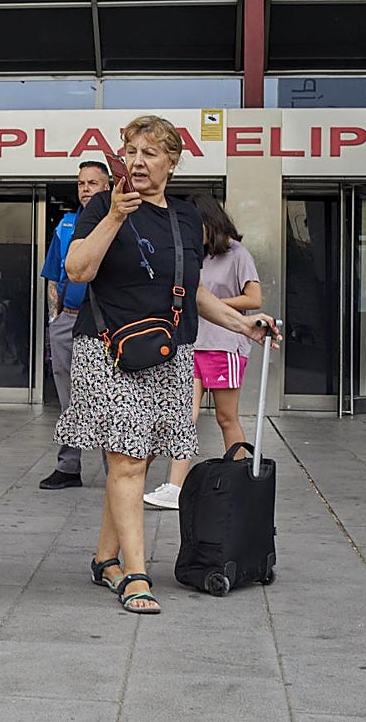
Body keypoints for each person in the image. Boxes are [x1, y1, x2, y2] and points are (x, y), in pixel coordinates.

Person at [53, 114, 279, 615]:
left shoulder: (184, 218)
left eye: (149, 153)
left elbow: (192, 290)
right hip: (109, 352)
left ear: (171, 163)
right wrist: (115, 216)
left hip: (170, 353)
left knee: (141, 457)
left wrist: (243, 324)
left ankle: (105, 559)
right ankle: (135, 576)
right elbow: (77, 270)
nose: (137, 162)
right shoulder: (102, 207)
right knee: (128, 461)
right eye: (130, 152)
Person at [144, 193, 262, 510]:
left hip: (226, 345)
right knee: (184, 415)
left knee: (226, 418)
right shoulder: (193, 254)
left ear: (210, 222)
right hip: (192, 343)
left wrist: (212, 305)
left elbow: (254, 298)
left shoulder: (237, 254)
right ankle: (175, 487)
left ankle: (241, 483)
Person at [38, 159, 110, 490]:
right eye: (81, 183)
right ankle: (68, 466)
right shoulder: (66, 226)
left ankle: (116, 470)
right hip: (68, 319)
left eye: (92, 183)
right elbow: (53, 275)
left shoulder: (119, 223)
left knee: (110, 396)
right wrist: (55, 320)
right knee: (68, 397)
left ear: (107, 187)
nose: (85, 189)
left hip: (106, 324)